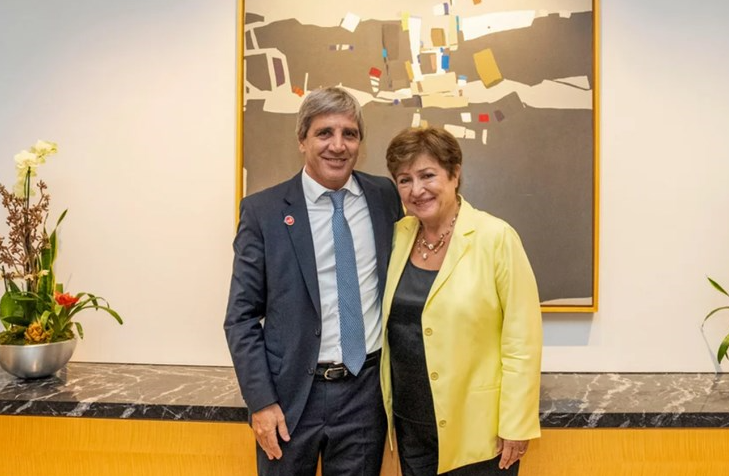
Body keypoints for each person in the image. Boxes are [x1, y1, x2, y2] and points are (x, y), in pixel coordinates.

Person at [225, 87, 402, 476]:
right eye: (324, 133)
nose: (338, 146)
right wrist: (261, 401)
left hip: (364, 395)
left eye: (349, 134)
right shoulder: (263, 212)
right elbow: (241, 317)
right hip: (289, 398)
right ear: (302, 140)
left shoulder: (384, 197)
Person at [381, 126, 542, 475]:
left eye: (427, 175)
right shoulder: (397, 237)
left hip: (478, 431)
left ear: (454, 174)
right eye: (405, 180)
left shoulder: (496, 237)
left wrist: (516, 423)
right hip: (411, 428)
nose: (416, 190)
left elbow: (522, 341)